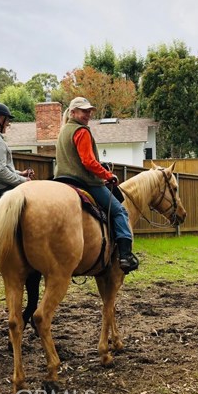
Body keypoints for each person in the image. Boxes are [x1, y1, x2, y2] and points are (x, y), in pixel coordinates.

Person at [55, 96, 139, 274]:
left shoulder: (63, 131)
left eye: (89, 111)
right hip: (84, 181)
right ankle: (125, 255)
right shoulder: (81, 131)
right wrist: (108, 175)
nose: (87, 115)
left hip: (61, 180)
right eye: (84, 111)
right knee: (119, 211)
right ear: (73, 112)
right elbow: (88, 162)